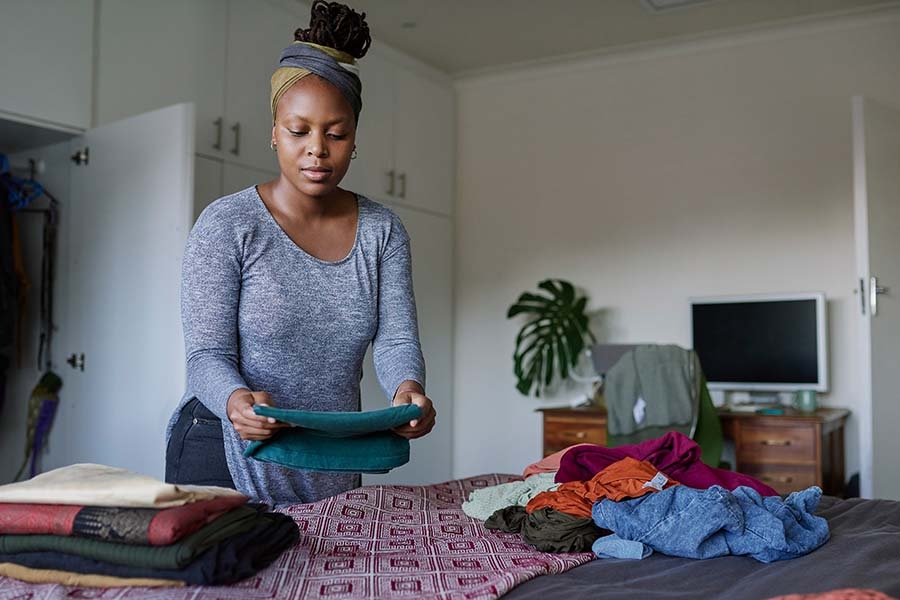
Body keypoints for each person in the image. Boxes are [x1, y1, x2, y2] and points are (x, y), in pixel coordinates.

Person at [164, 0, 436, 507]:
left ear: (354, 140)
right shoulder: (228, 224)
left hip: (331, 448)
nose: (318, 148)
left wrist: (407, 388)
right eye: (299, 131)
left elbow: (396, 337)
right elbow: (206, 355)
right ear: (274, 133)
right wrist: (235, 401)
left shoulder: (382, 231)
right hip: (226, 439)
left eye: (336, 134)